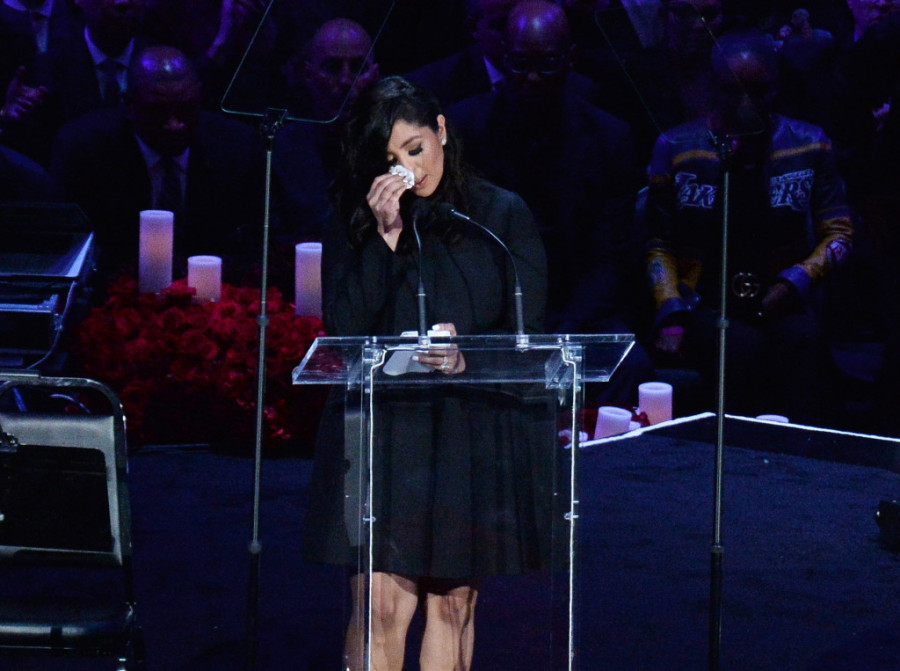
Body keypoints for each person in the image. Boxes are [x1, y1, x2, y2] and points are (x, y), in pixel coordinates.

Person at [303, 75, 551, 670]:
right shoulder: (357, 218)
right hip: (386, 429)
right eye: (390, 158)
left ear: (441, 131)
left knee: (451, 604)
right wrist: (383, 240)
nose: (407, 169)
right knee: (381, 607)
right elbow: (343, 328)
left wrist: (471, 355)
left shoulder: (498, 214)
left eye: (416, 149)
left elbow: (526, 328)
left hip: (470, 429)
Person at [645, 29, 854, 424]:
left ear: (775, 87)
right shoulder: (676, 148)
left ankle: (802, 464)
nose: (745, 104)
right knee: (737, 347)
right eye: (732, 91)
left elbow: (839, 234)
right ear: (712, 87)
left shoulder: (809, 144)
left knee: (803, 347)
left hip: (783, 296)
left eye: (758, 92)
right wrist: (670, 311)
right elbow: (658, 242)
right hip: (702, 300)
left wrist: (796, 281)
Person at [50, 44, 265, 289]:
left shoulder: (236, 148)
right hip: (112, 297)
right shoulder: (85, 151)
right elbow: (74, 248)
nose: (174, 125)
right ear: (129, 104)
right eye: (158, 111)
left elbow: (254, 242)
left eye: (185, 109)